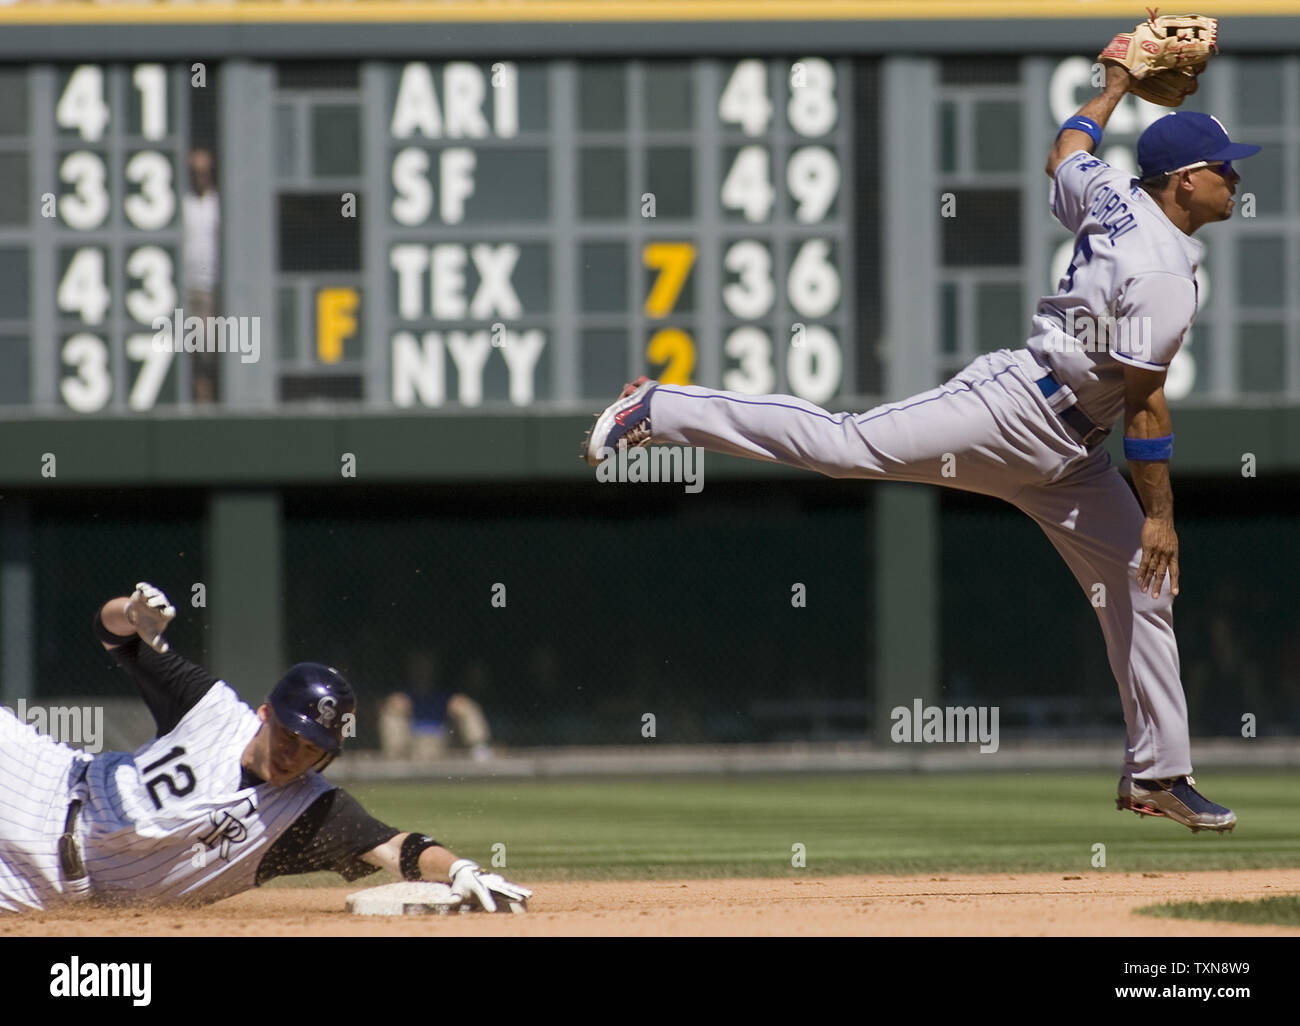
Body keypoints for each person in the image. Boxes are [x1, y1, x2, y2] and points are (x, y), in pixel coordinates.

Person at [583, 65, 1258, 834]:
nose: (1235, 178)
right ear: (1185, 181)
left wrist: (1114, 83)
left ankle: (1159, 773)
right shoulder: (1163, 270)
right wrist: (1159, 515)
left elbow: (1067, 149)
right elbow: (1146, 407)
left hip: (1072, 455)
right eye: (1225, 168)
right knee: (846, 445)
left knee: (1145, 586)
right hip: (1013, 410)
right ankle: (661, 406)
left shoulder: (1116, 195)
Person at [0, 583, 530, 912]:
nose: (294, 754)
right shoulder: (208, 707)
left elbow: (396, 847)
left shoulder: (312, 811)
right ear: (265, 713)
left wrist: (462, 869)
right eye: (290, 735)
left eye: (312, 749)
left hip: (42, 891)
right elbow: (112, 632)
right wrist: (130, 613)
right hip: (42, 782)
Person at [379, 649, 493, 762]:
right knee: (391, 710)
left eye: (425, 665)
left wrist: (459, 706)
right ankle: (395, 761)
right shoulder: (402, 694)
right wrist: (393, 704)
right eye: (418, 665)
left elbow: (459, 707)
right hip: (412, 745)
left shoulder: (444, 696)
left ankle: (480, 751)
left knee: (465, 705)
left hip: (443, 742)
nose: (421, 670)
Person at [182, 148, 221, 403]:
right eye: (195, 172)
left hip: (209, 289)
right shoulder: (181, 202)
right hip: (182, 289)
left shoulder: (218, 203)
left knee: (206, 351)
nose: (200, 177)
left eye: (204, 172)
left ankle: (207, 406)